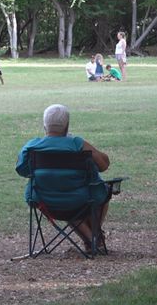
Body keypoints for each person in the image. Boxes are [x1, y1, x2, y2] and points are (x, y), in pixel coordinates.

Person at [15, 104, 111, 251]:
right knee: (101, 190)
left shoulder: (32, 147)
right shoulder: (77, 144)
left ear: (44, 126)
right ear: (67, 126)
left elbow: (22, 170)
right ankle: (94, 236)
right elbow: (104, 165)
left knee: (64, 193)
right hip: (81, 200)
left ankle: (91, 239)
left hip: (43, 201)